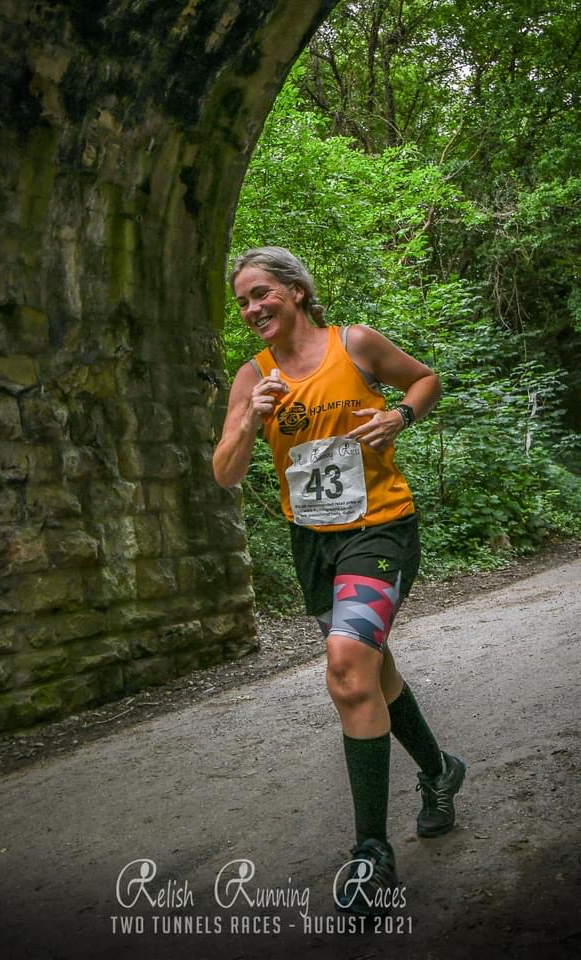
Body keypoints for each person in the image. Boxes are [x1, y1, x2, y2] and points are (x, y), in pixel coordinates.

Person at [212, 246, 465, 917]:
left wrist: (399, 416)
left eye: (261, 293)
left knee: (348, 669)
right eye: (242, 301)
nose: (252, 308)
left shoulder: (353, 345)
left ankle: (371, 853)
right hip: (314, 546)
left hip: (379, 529)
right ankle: (440, 773)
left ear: (295, 291)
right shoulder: (253, 377)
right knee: (372, 675)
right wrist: (249, 420)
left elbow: (426, 380)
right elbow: (226, 473)